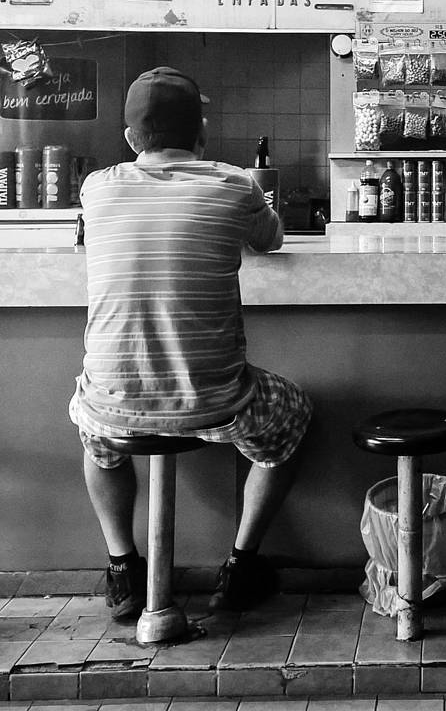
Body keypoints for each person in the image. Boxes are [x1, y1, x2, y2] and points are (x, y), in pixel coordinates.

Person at [69, 66, 312, 620]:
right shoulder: (233, 183)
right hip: (218, 403)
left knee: (97, 438)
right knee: (293, 413)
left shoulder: (97, 188)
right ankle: (241, 566)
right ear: (201, 132)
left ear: (131, 138)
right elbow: (271, 241)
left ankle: (123, 568)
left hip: (113, 404)